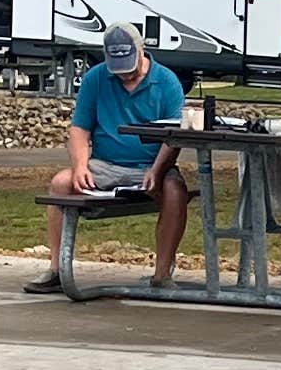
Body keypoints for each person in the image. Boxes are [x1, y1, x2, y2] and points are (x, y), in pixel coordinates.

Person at [31, 22, 190, 290]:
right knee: (61, 183)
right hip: (105, 165)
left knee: (175, 190)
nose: (124, 76)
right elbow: (80, 129)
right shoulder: (96, 78)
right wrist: (81, 165)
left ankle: (162, 273)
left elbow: (173, 136)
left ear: (141, 51)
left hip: (151, 166)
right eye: (118, 70)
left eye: (129, 69)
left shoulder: (167, 82)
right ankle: (56, 269)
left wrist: (158, 170)